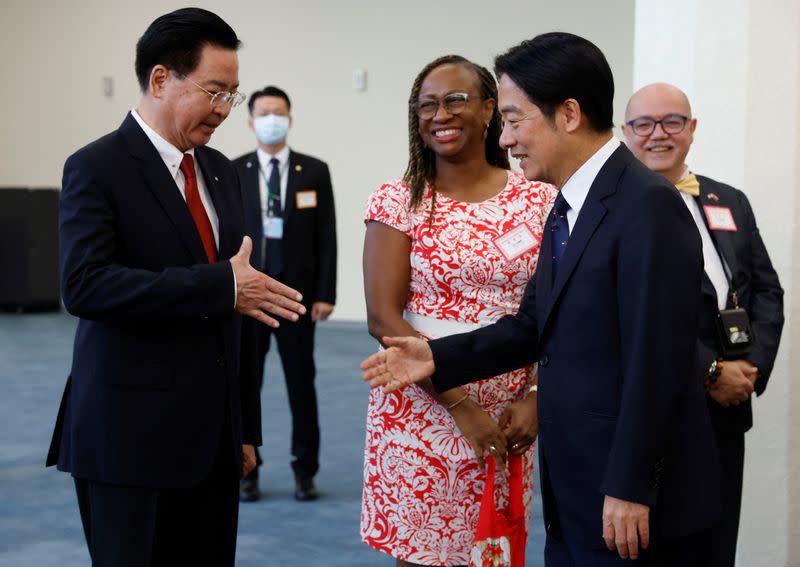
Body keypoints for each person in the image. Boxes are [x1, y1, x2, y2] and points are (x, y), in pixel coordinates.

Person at [361, 33, 722, 566]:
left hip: (627, 501)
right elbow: (533, 324)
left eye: (513, 118)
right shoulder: (569, 207)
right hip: (576, 484)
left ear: (569, 114)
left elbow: (659, 363)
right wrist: (437, 357)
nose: (505, 139)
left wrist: (629, 484)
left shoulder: (646, 208)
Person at [45, 8, 306, 566]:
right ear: (161, 78)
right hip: (128, 439)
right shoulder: (95, 167)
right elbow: (85, 286)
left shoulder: (220, 170)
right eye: (215, 91)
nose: (223, 110)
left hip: (213, 442)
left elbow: (236, 308)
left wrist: (243, 429)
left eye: (232, 95)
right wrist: (218, 287)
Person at [361, 54, 555, 567]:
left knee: (494, 549)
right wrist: (459, 405)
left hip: (514, 412)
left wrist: (537, 395)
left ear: (490, 108)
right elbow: (383, 319)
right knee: (423, 554)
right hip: (422, 410)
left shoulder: (539, 200)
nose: (439, 115)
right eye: (426, 106)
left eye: (454, 100)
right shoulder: (399, 201)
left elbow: (554, 312)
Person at [622, 82, 784, 567]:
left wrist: (749, 367)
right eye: (643, 124)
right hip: (655, 409)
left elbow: (766, 290)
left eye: (672, 121)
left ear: (691, 129)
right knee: (654, 547)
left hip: (725, 412)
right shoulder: (614, 210)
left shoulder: (727, 200)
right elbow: (632, 314)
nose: (658, 134)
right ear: (625, 134)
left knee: (716, 544)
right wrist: (709, 371)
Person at [233, 86, 337, 502]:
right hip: (249, 297)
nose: (271, 118)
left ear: (289, 120)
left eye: (279, 112)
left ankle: (305, 470)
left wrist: (326, 293)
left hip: (296, 297)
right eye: (264, 112)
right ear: (251, 121)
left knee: (301, 384)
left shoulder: (313, 170)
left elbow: (327, 236)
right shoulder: (233, 169)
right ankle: (246, 470)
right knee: (245, 385)